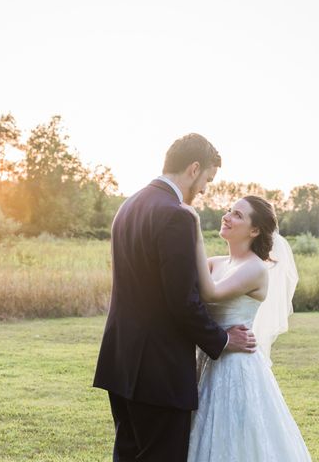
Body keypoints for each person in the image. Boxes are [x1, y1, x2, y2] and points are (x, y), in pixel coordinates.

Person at [93, 134, 256, 461]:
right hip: (158, 372)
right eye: (208, 180)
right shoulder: (176, 215)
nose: (205, 190)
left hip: (120, 363)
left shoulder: (129, 205)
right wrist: (222, 340)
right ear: (194, 168)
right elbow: (182, 301)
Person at [182, 195, 312, 462]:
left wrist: (195, 230)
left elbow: (211, 291)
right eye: (230, 211)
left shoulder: (255, 269)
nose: (227, 216)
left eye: (238, 215)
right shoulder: (216, 263)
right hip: (207, 362)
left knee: (235, 440)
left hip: (236, 369)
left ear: (254, 230)